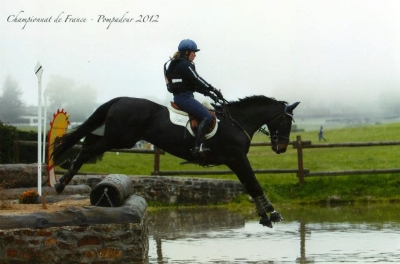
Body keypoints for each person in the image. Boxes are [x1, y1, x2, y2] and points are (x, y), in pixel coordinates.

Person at [164, 39, 223, 157]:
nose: (195, 55)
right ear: (187, 52)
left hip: (183, 96)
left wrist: (210, 94)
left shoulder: (177, 64)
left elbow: (192, 85)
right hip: (184, 98)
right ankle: (198, 147)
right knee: (207, 116)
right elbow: (197, 79)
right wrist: (213, 89)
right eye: (193, 52)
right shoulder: (184, 64)